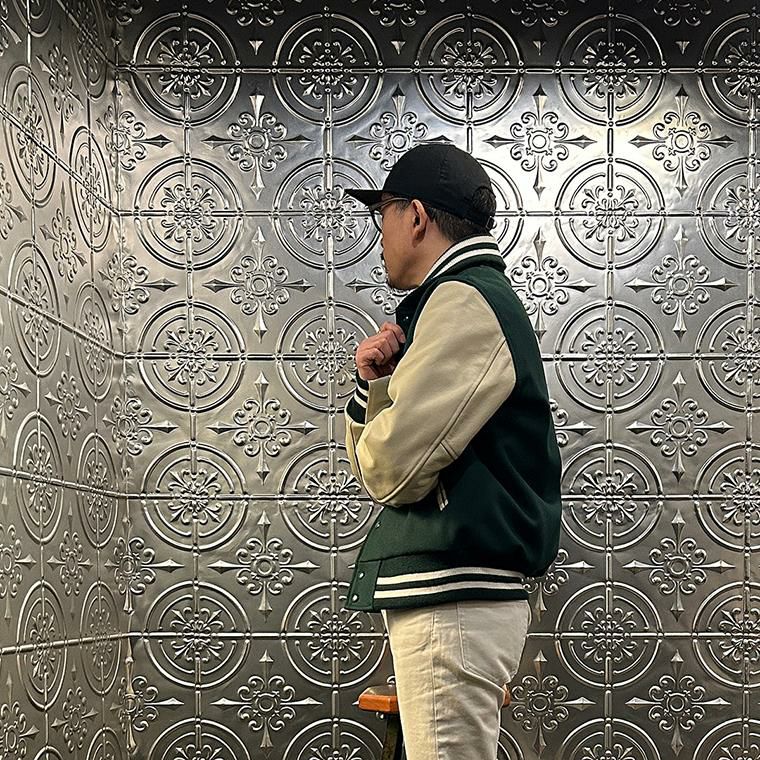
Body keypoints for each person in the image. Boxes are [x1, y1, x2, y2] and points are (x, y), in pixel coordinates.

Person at [342, 143, 562, 760]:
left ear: (415, 216)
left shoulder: (463, 300)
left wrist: (377, 411)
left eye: (383, 212)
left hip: (456, 597)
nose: (378, 232)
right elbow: (389, 464)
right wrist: (372, 386)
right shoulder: (460, 298)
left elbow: (390, 471)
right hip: (458, 593)